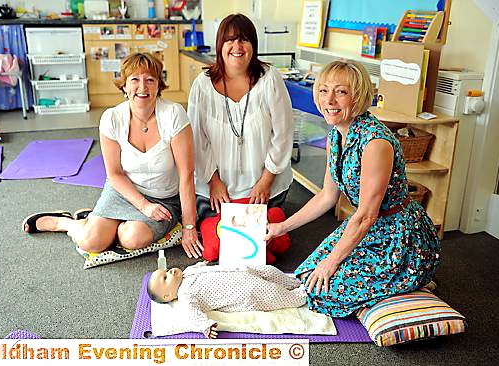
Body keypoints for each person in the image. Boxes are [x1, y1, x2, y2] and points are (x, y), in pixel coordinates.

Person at [265, 60, 440, 317]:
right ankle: (389, 287)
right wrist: (281, 227)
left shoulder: (376, 142)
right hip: (366, 226)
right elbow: (327, 196)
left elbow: (367, 215)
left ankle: (411, 281)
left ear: (357, 97)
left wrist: (332, 262)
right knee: (307, 275)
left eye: (341, 92)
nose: (329, 100)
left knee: (323, 292)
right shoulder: (336, 134)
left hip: (398, 237)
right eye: (324, 90)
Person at [22, 53, 203, 259]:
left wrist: (189, 226)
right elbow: (115, 174)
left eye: (150, 80)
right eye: (135, 79)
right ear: (124, 86)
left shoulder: (173, 114)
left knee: (132, 239)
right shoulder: (112, 118)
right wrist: (143, 206)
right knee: (92, 242)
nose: (142, 87)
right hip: (124, 191)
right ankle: (65, 222)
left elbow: (187, 174)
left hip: (164, 199)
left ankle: (100, 221)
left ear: (158, 86)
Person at [187, 13, 294, 263]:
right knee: (221, 245)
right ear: (220, 45)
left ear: (254, 46)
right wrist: (213, 180)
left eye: (244, 40)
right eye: (230, 40)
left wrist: (266, 181)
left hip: (265, 186)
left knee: (268, 241)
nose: (237, 47)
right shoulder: (202, 85)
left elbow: (283, 132)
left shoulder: (270, 78)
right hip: (216, 189)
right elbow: (196, 139)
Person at [147, 262, 307, 338]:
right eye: (166, 277)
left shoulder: (188, 271)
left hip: (243, 270)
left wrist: (202, 264)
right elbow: (192, 315)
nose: (171, 271)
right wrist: (205, 326)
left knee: (270, 271)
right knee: (272, 293)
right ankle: (301, 295)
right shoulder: (185, 297)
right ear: (168, 296)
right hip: (246, 293)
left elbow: (199, 267)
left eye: (167, 270)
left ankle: (294, 283)